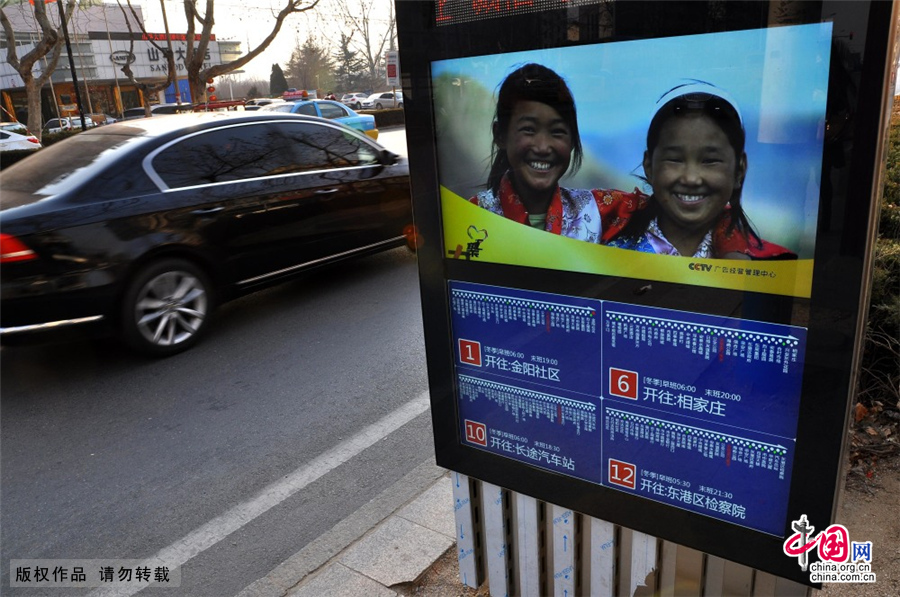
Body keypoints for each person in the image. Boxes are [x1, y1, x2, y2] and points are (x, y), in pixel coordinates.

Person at [602, 81, 796, 260]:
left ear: (739, 169)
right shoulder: (601, 226)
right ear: (649, 166)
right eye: (675, 159)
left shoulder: (771, 264)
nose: (691, 178)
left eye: (710, 160)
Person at [471, 63, 642, 243]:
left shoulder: (601, 212)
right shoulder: (471, 216)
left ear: (573, 140)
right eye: (528, 129)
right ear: (500, 135)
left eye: (557, 131)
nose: (543, 147)